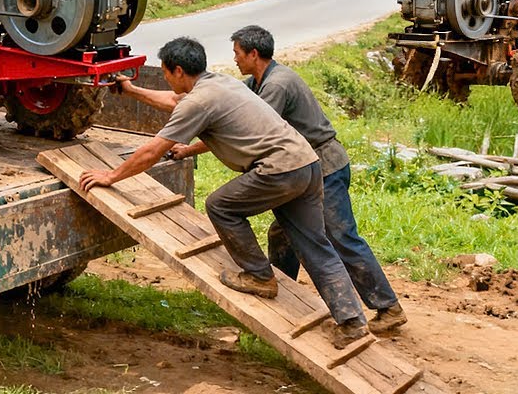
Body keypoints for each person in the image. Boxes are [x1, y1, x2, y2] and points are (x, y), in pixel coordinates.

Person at [79, 37, 370, 348]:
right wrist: (133, 91)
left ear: (178, 71)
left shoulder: (199, 101)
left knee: (220, 205)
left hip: (279, 170)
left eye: (165, 73)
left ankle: (259, 276)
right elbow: (176, 102)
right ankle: (352, 321)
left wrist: (111, 176)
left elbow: (153, 151)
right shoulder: (220, 84)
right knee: (316, 245)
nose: (165, 78)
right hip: (308, 164)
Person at [167, 26, 407, 335]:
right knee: (284, 234)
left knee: (338, 237)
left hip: (322, 167)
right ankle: (281, 292)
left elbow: (246, 128)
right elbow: (226, 106)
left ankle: (387, 306)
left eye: (238, 54)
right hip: (303, 167)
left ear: (254, 54)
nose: (235, 60)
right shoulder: (256, 81)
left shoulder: (277, 86)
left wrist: (189, 147)